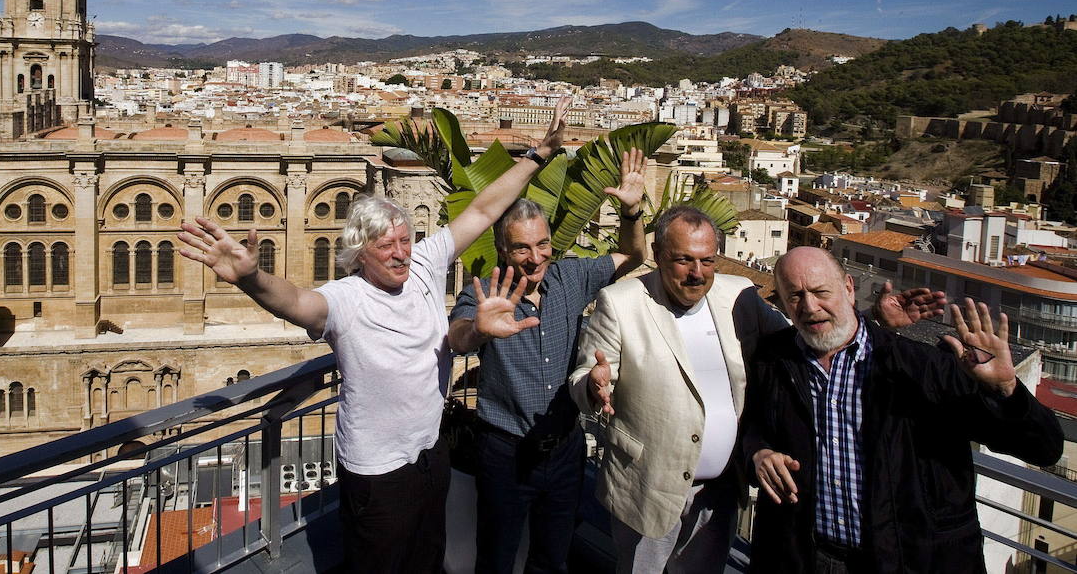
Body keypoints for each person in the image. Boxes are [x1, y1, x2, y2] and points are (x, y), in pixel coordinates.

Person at [179, 98, 573, 574]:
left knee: (429, 558)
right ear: (360, 252)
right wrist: (251, 278)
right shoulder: (346, 299)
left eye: (404, 240)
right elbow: (296, 302)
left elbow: (487, 208)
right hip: (376, 470)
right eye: (385, 245)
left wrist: (538, 155)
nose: (400, 253)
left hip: (431, 452)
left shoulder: (427, 263)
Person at [568, 208, 945, 574]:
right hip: (648, 485)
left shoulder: (739, 296)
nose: (697, 274)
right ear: (659, 255)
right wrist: (593, 385)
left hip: (720, 491)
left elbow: (804, 335)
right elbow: (585, 375)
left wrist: (873, 320)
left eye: (708, 260)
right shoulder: (621, 301)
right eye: (684, 260)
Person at [742, 247, 1063, 573]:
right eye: (795, 296)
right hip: (802, 557)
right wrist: (758, 454)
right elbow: (752, 428)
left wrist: (1005, 388)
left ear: (849, 288)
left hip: (907, 560)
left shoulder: (924, 367)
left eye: (820, 292)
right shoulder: (774, 359)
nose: (810, 307)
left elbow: (1044, 448)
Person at [447, 147, 649, 574]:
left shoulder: (571, 277)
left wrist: (631, 213)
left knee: (553, 558)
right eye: (521, 248)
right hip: (504, 451)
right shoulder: (486, 294)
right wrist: (480, 330)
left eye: (542, 244)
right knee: (496, 558)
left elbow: (633, 256)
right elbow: (457, 338)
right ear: (503, 249)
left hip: (564, 449)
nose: (536, 257)